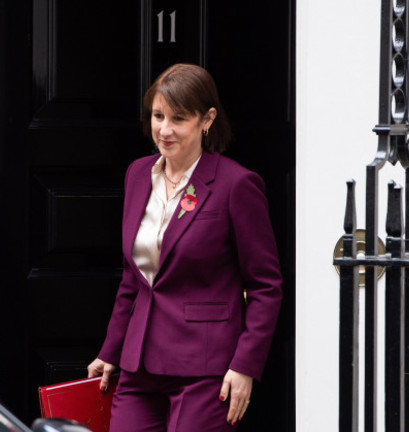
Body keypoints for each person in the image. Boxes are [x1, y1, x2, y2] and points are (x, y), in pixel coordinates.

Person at [87, 63, 282, 431]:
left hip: (206, 369)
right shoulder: (137, 174)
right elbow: (134, 278)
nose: (164, 129)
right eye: (158, 116)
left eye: (178, 118)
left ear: (206, 119)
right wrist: (110, 351)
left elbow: (265, 286)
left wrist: (244, 366)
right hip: (139, 364)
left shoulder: (236, 184)